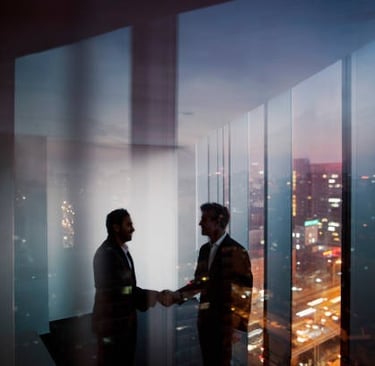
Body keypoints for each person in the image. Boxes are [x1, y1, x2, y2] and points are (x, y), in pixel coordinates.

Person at [160, 202, 253, 366]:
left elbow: (244, 292)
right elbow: (199, 283)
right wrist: (177, 296)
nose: (200, 223)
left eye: (204, 219)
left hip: (224, 326)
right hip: (206, 322)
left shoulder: (236, 251)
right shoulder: (204, 250)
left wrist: (237, 328)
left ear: (218, 222)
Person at [92, 208, 159, 366]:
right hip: (112, 327)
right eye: (128, 225)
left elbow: (127, 288)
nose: (133, 229)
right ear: (116, 227)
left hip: (121, 325)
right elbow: (121, 291)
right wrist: (155, 296)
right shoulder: (107, 254)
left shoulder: (121, 252)